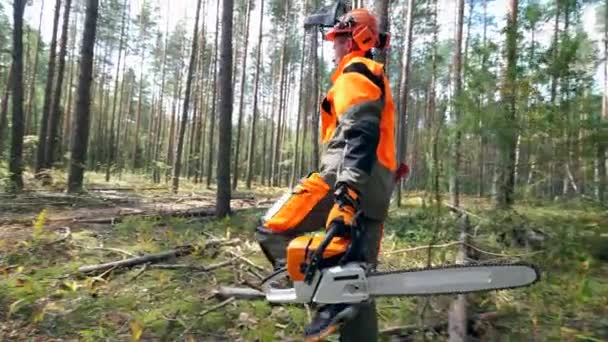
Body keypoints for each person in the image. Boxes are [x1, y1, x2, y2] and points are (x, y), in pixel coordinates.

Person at [255, 7, 396, 342]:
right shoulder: (376, 77)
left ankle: (327, 298)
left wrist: (346, 197)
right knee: (358, 283)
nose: (333, 49)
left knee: (271, 229)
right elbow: (377, 139)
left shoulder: (354, 75)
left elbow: (359, 135)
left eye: (337, 42)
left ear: (352, 41)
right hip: (374, 189)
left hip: (343, 180)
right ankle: (341, 300)